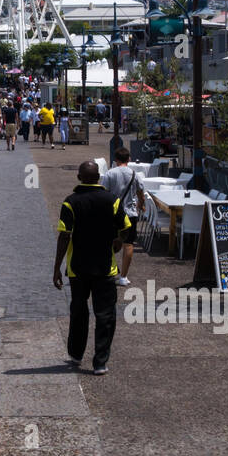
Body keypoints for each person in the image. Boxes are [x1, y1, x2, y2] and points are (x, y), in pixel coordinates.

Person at [53, 160, 129, 375]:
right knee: (105, 316)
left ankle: (76, 354)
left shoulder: (70, 202)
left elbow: (64, 236)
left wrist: (57, 267)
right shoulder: (112, 200)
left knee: (79, 311)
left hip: (78, 268)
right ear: (99, 178)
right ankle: (100, 361)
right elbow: (125, 227)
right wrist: (118, 241)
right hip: (105, 267)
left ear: (79, 177)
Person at [100, 147, 145, 287]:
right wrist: (140, 205)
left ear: (116, 160)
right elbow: (140, 193)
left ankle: (109, 270)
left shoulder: (110, 174)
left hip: (113, 213)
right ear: (129, 159)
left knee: (109, 242)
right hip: (130, 213)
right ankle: (123, 277)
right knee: (128, 244)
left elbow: (104, 194)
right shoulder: (134, 174)